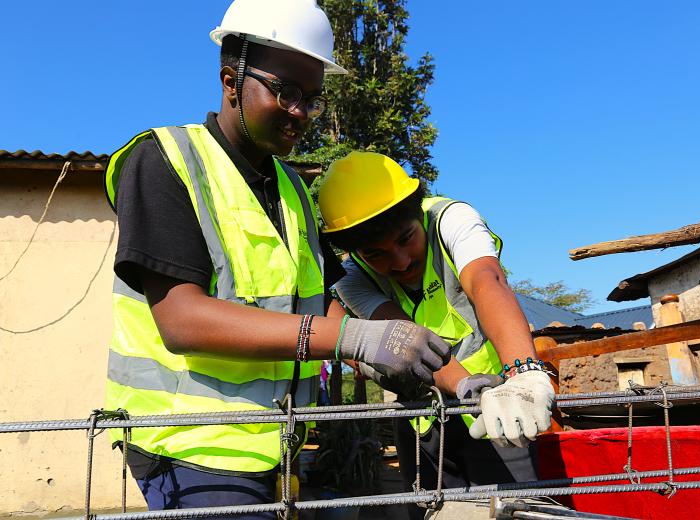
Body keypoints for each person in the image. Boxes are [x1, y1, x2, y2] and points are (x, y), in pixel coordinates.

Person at [103, 2, 451, 515]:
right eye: (286, 91)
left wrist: (387, 358)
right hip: (189, 447)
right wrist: (354, 338)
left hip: (276, 442)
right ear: (230, 80)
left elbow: (322, 301)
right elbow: (181, 319)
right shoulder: (165, 161)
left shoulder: (290, 189)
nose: (302, 112)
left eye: (312, 98)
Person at [318, 151, 556, 518]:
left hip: (500, 411)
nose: (399, 262)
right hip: (422, 423)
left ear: (418, 212)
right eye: (376, 254)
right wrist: (467, 388)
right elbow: (408, 342)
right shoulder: (350, 278)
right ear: (352, 250)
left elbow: (486, 281)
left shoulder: (452, 219)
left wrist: (523, 372)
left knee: (518, 511)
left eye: (406, 239)